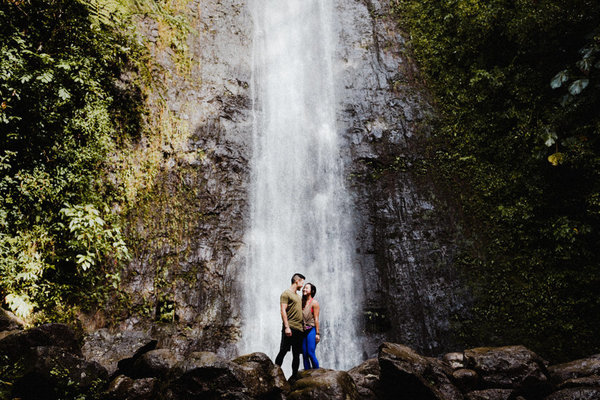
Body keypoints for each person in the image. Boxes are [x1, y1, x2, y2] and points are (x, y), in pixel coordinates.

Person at [275, 273, 305, 376]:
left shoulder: (299, 296)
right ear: (297, 281)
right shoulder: (286, 294)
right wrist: (287, 327)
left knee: (296, 355)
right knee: (283, 351)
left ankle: (294, 376)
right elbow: (283, 310)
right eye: (302, 282)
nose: (303, 285)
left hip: (299, 329)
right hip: (290, 327)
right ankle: (274, 373)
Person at [301, 282, 320, 369]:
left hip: (311, 330)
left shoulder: (314, 303)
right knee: (304, 354)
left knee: (310, 353)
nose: (304, 289)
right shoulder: (301, 302)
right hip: (303, 331)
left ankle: (317, 372)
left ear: (311, 291)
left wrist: (317, 333)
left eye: (306, 288)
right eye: (304, 288)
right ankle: (307, 375)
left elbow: (316, 319)